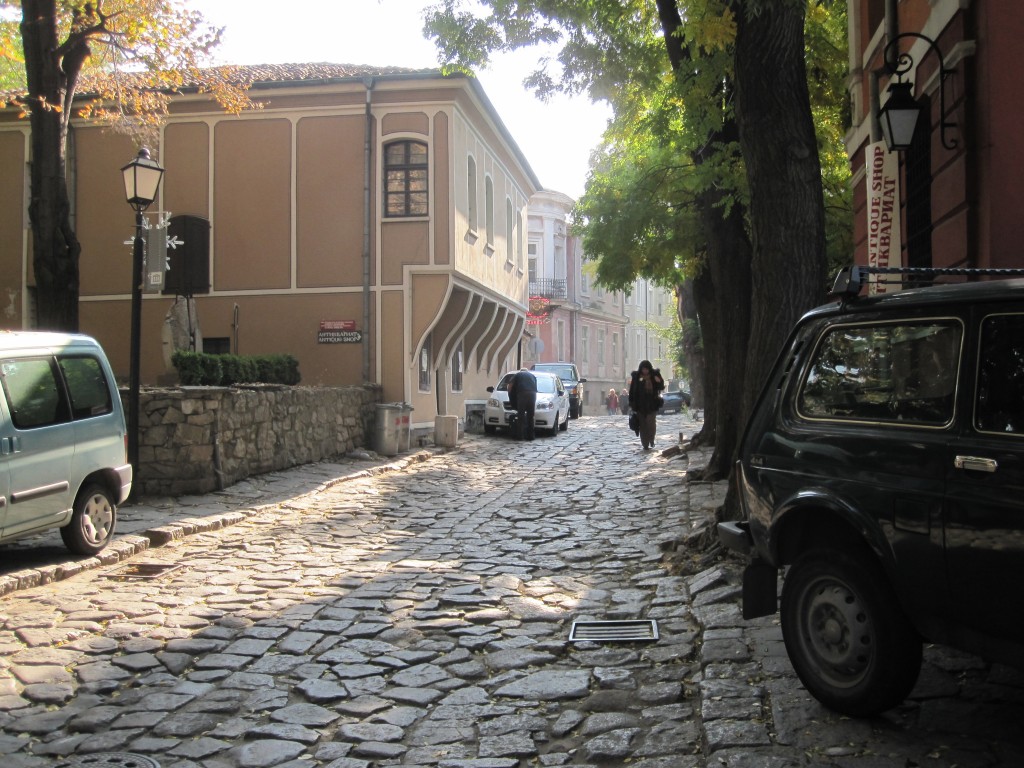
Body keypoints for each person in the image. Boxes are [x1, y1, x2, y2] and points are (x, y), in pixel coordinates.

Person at [628, 359, 666, 450]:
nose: (645, 371)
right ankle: (645, 444)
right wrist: (631, 403)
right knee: (643, 425)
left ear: (649, 369)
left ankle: (651, 439)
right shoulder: (636, 377)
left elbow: (661, 386)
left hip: (652, 404)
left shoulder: (655, 375)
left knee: (651, 423)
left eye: (646, 369)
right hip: (640, 405)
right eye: (643, 369)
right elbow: (632, 390)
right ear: (641, 369)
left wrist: (659, 381)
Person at [508, 368, 538, 440]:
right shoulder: (532, 376)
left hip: (522, 393)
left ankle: (520, 436)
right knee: (530, 416)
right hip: (532, 394)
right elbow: (535, 387)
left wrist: (510, 395)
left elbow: (510, 386)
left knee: (521, 415)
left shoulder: (517, 375)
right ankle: (531, 436)